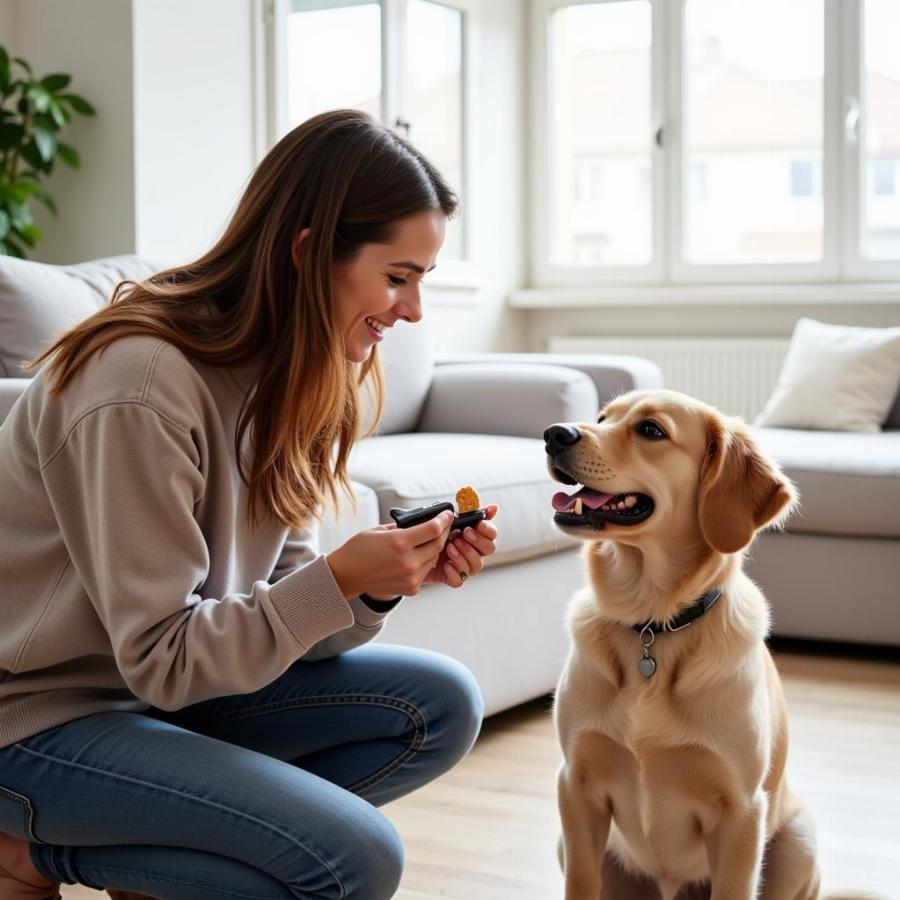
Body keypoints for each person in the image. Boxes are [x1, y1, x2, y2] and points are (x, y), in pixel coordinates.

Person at [0, 109, 498, 900]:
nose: (412, 312)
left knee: (438, 707)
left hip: (161, 701)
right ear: (307, 254)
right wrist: (332, 583)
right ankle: (31, 852)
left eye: (421, 281)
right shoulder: (140, 384)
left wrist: (367, 587)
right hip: (36, 723)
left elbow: (282, 629)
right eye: (397, 276)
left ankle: (157, 849)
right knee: (354, 860)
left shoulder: (289, 377)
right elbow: (163, 657)